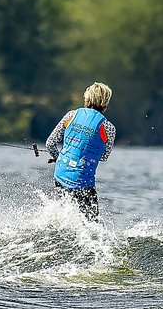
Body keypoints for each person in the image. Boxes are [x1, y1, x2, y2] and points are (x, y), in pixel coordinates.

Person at [43, 82, 116, 221]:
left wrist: (58, 157)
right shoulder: (109, 128)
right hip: (83, 182)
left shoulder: (71, 115)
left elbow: (50, 143)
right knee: (92, 226)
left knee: (63, 216)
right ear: (105, 105)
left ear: (87, 99)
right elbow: (104, 156)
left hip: (60, 175)